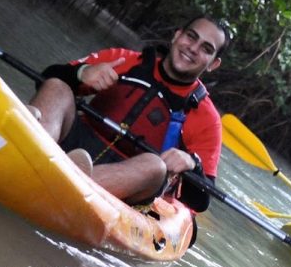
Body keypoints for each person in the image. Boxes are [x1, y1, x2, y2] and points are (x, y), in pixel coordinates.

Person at [29, 16, 232, 208]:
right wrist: (81, 73)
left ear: (214, 64)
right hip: (76, 146)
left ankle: (63, 184)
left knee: (156, 165)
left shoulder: (208, 119)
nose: (193, 48)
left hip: (132, 178)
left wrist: (192, 163)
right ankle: (31, 154)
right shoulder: (123, 60)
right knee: (57, 86)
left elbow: (201, 200)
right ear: (177, 35)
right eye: (191, 36)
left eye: (206, 48)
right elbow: (46, 78)